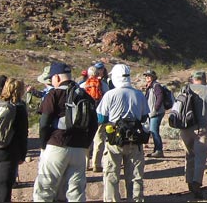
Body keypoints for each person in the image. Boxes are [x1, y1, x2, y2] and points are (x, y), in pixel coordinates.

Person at [32, 62, 99, 202]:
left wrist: (44, 143)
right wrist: (85, 144)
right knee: (76, 192)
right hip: (79, 149)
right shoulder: (84, 95)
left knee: (45, 190)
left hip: (56, 145)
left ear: (56, 77)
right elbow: (93, 124)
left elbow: (44, 123)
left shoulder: (54, 94)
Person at [97, 64, 150, 202]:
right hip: (135, 140)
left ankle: (112, 199)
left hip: (115, 139)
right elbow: (144, 117)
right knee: (135, 175)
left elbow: (101, 118)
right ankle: (136, 199)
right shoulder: (138, 94)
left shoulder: (110, 94)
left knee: (111, 174)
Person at [179, 70, 207, 199]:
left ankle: (189, 182)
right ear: (204, 78)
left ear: (193, 79)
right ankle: (196, 184)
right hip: (202, 129)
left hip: (186, 128)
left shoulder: (185, 89)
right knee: (200, 158)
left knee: (189, 155)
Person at [83, 65, 110, 172]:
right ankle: (96, 164)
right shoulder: (104, 85)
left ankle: (85, 164)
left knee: (86, 139)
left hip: (86, 116)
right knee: (99, 139)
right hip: (100, 115)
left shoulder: (83, 85)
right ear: (98, 74)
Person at [142, 70, 166, 158]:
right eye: (146, 76)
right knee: (153, 130)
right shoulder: (150, 86)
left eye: (149, 76)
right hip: (153, 112)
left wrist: (155, 109)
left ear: (153, 77)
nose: (147, 77)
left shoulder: (156, 86)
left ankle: (159, 150)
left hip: (156, 112)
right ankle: (157, 150)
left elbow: (160, 97)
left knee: (154, 130)